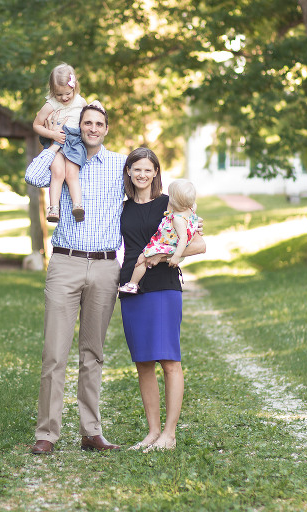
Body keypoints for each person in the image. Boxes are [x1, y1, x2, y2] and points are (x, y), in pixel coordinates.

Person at [25, 103, 205, 455]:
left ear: (106, 129)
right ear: (79, 126)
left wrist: (168, 253)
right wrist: (58, 140)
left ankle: (91, 431)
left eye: (99, 123)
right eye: (86, 123)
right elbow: (33, 177)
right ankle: (47, 433)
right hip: (66, 261)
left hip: (107, 268)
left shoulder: (119, 166)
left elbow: (165, 208)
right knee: (54, 353)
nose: (92, 128)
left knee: (93, 352)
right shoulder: (64, 158)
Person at [118, 148, 204, 452]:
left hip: (164, 286)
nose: (142, 175)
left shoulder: (170, 205)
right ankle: (153, 433)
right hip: (131, 287)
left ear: (156, 173)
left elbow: (200, 244)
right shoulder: (121, 208)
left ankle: (170, 434)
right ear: (128, 171)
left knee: (169, 360)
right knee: (143, 362)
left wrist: (161, 255)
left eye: (148, 170)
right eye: (136, 169)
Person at [118, 179, 199, 294]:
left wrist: (176, 256)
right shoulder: (190, 210)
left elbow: (184, 238)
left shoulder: (177, 219)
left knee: (142, 259)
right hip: (174, 248)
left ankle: (133, 284)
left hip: (171, 246)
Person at [32, 63, 88, 223]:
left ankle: (78, 205)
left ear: (75, 87)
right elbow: (36, 124)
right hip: (56, 141)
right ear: (52, 91)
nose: (64, 98)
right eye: (59, 94)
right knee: (57, 173)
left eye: (67, 93)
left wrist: (96, 104)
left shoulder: (80, 101)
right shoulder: (51, 104)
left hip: (75, 143)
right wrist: (52, 134)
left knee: (72, 174)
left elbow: (88, 117)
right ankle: (54, 208)